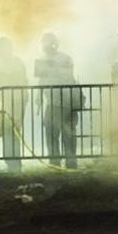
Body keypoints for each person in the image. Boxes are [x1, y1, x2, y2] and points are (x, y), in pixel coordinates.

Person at [36, 33, 81, 168]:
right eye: (44, 43)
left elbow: (68, 77)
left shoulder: (65, 58)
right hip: (52, 102)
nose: (46, 46)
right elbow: (41, 81)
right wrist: (39, 96)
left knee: (68, 134)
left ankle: (71, 162)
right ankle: (55, 162)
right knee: (51, 134)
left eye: (48, 43)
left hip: (67, 102)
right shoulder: (42, 60)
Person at [0, 36, 28, 172]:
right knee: (6, 131)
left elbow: (16, 78)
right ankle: (10, 162)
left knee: (13, 131)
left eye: (0, 48)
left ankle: (15, 163)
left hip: (16, 101)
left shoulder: (15, 62)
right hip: (5, 102)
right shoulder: (0, 63)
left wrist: (1, 79)